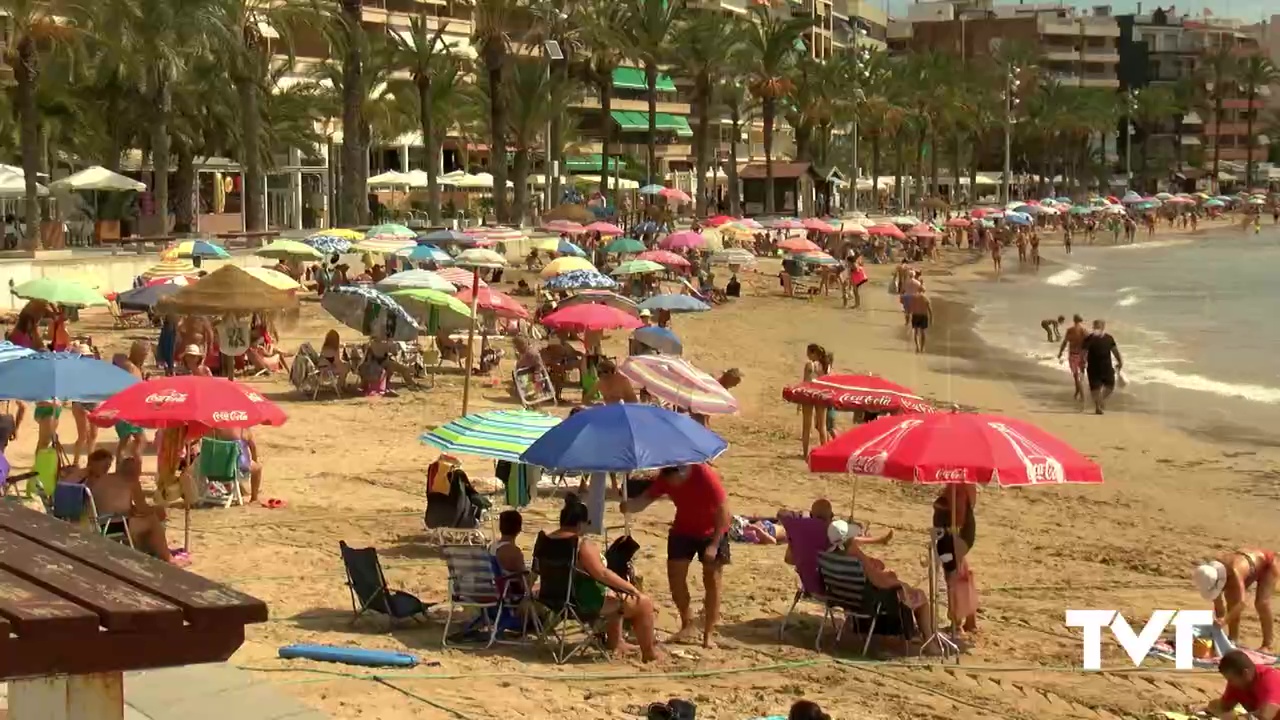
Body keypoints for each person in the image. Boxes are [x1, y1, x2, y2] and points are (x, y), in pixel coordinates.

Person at [533, 496, 659, 662]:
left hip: (552, 600)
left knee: (613, 595)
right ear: (581, 523)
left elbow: (535, 570)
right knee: (643, 603)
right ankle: (650, 655)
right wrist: (631, 588)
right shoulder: (580, 544)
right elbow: (602, 574)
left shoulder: (545, 541)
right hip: (581, 604)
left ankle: (616, 643)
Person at [620, 464, 730, 648]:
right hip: (683, 530)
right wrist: (630, 506)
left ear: (681, 473)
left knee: (712, 581)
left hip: (713, 530)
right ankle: (687, 623)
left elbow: (724, 511)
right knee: (676, 579)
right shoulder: (665, 477)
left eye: (673, 482)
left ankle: (708, 634)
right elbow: (646, 499)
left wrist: (714, 544)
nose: (671, 485)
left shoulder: (703, 474)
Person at [77, 451, 184, 565]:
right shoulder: (131, 481)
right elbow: (143, 508)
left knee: (140, 519)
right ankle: (167, 557)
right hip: (114, 524)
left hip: (98, 523)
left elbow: (114, 503)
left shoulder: (100, 480)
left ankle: (147, 550)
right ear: (135, 471)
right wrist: (158, 509)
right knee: (152, 520)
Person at [1194, 549, 1278, 651]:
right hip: (1247, 567)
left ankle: (1267, 644)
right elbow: (1219, 605)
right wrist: (1217, 625)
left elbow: (1242, 603)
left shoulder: (1234, 571)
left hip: (1267, 564)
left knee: (1261, 603)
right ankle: (1233, 639)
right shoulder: (1210, 574)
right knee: (1232, 600)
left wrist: (1225, 620)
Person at [933, 485, 979, 635]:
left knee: (953, 576)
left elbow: (959, 514)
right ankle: (970, 620)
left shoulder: (956, 485)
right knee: (963, 572)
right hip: (952, 533)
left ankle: (956, 620)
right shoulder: (962, 481)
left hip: (953, 533)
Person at [1206, 649, 1280, 719]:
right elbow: (1224, 706)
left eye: (1231, 679)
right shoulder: (1237, 684)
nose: (1230, 683)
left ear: (1245, 673)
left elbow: (1267, 715)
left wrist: (1238, 718)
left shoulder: (1270, 679)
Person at [1080, 319, 1123, 415]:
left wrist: (1120, 361)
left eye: (1098, 327)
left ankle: (1101, 400)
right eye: (1095, 327)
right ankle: (1097, 407)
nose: (1096, 329)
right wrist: (1082, 363)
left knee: (1110, 386)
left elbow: (1114, 350)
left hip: (1107, 367)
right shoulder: (1089, 339)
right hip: (1093, 367)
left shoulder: (1109, 338)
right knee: (1095, 388)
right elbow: (1083, 352)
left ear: (1103, 327)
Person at [804, 344, 834, 444]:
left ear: (814, 353)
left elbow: (806, 382)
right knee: (823, 426)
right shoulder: (827, 366)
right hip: (824, 396)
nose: (807, 355)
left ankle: (805, 453)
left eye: (808, 353)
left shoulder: (811, 365)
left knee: (807, 426)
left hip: (811, 395)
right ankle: (825, 450)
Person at [1056, 314, 1088, 406]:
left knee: (1076, 376)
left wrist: (1060, 353)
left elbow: (1065, 342)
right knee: (1081, 375)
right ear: (1081, 320)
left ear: (1074, 320)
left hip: (1073, 355)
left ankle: (1081, 395)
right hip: (1082, 355)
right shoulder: (1084, 331)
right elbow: (1090, 342)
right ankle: (1078, 391)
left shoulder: (1070, 330)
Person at [906, 288, 933, 354]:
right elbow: (929, 309)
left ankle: (917, 347)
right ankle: (922, 348)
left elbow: (910, 307)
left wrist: (908, 316)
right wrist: (931, 318)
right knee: (923, 332)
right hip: (923, 316)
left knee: (916, 332)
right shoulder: (926, 298)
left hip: (916, 315)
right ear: (923, 291)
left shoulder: (914, 297)